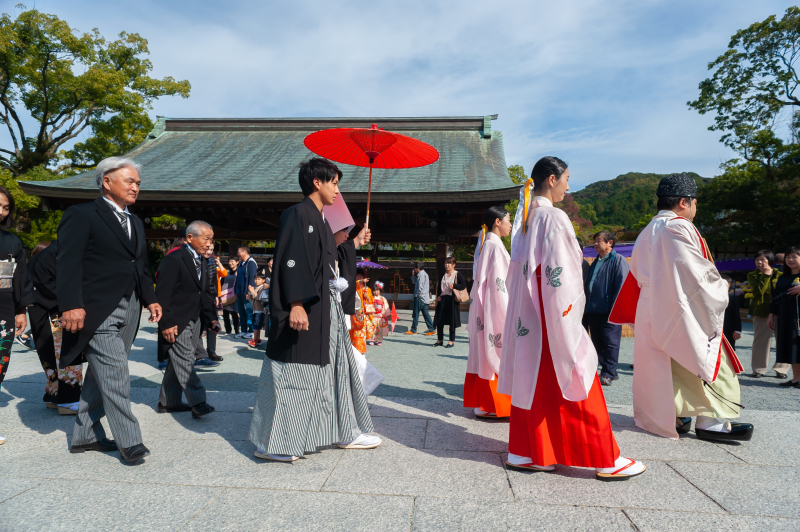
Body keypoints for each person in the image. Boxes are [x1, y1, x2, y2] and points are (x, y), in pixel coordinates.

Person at [497, 157, 644, 480]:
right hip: (551, 312)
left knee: (533, 381)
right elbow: (561, 277)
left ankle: (527, 451)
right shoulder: (553, 217)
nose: (568, 185)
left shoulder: (524, 221)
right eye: (566, 179)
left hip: (528, 315)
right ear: (551, 179)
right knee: (577, 376)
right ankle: (605, 457)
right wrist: (569, 315)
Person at [249, 157, 378, 462]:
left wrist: (354, 241)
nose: (337, 189)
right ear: (316, 182)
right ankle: (276, 444)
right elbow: (291, 260)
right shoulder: (297, 214)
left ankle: (345, 430)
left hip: (325, 312)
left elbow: (328, 256)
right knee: (296, 376)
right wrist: (295, 304)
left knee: (336, 371)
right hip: (305, 310)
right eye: (334, 182)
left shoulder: (320, 219)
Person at [610, 173, 752, 442]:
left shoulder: (646, 231)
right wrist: (720, 288)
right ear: (685, 202)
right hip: (674, 303)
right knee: (703, 354)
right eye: (695, 203)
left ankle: (671, 416)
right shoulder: (678, 226)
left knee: (664, 365)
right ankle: (708, 420)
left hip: (650, 304)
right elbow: (696, 273)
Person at [57, 157, 161, 462]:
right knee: (116, 372)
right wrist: (71, 304)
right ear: (106, 181)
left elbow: (140, 266)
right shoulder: (81, 214)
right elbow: (68, 263)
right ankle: (130, 441)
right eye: (129, 181)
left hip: (130, 306)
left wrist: (151, 298)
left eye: (138, 183)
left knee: (102, 373)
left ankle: (85, 435)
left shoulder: (136, 222)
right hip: (95, 306)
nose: (135, 187)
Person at [155, 220, 219, 419]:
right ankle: (198, 401)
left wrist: (212, 318)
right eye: (206, 238)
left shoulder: (202, 260)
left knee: (178, 361)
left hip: (196, 318)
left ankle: (169, 401)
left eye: (212, 239)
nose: (210, 243)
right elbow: (163, 295)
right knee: (185, 359)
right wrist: (165, 323)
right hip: (176, 320)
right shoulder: (173, 259)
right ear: (189, 238)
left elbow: (206, 294)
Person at [464, 205, 513, 419]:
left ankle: (486, 403)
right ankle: (492, 405)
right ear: (497, 221)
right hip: (495, 305)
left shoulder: (491, 243)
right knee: (495, 352)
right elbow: (499, 284)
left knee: (486, 353)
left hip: (488, 305)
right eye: (508, 220)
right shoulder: (493, 245)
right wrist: (509, 308)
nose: (510, 225)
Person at [28, 240, 83, 415]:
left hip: (40, 311)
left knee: (50, 356)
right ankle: (69, 399)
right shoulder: (58, 254)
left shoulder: (46, 255)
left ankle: (54, 395)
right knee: (67, 353)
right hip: (56, 312)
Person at [0, 186, 34, 445]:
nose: (1, 212)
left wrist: (21, 310)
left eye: (5, 207)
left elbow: (17, 278)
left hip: (4, 310)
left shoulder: (11, 241)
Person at [584, 231, 629, 386]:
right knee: (597, 342)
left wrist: (615, 308)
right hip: (593, 308)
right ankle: (608, 370)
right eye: (595, 241)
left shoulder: (618, 260)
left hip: (610, 310)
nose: (596, 243)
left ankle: (608, 373)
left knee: (611, 343)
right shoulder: (596, 261)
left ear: (610, 242)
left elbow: (622, 286)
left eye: (599, 241)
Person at [747, 250, 788, 378]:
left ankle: (781, 369)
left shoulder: (781, 274)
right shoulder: (752, 275)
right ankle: (759, 369)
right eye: (757, 259)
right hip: (761, 310)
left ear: (770, 261)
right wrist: (765, 275)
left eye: (763, 259)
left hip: (781, 309)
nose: (759, 262)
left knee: (782, 339)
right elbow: (758, 292)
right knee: (760, 340)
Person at [769, 246, 800, 388]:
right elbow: (775, 297)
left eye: (794, 256)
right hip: (784, 316)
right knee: (791, 347)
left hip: (798, 317)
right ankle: (796, 379)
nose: (790, 260)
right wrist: (771, 314)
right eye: (788, 257)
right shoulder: (783, 277)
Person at [192, 244, 223, 367]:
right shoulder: (195, 259)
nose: (209, 251)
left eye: (211, 250)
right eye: (207, 249)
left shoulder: (211, 260)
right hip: (197, 296)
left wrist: (214, 296)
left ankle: (211, 352)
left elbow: (213, 280)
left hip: (209, 295)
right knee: (197, 326)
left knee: (213, 323)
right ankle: (200, 354)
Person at [433, 257, 466, 348]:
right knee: (439, 320)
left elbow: (463, 285)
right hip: (442, 299)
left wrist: (454, 285)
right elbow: (439, 287)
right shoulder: (442, 275)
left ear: (454, 265)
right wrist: (439, 296)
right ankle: (439, 340)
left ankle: (451, 340)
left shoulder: (457, 274)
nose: (447, 265)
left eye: (449, 263)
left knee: (452, 321)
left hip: (452, 300)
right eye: (446, 263)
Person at [234, 246, 257, 339]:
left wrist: (249, 292)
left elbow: (252, 277)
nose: (237, 254)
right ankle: (243, 331)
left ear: (245, 252)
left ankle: (251, 331)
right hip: (239, 292)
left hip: (246, 292)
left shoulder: (251, 263)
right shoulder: (240, 263)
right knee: (241, 312)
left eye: (239, 252)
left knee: (249, 311)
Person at [407, 262, 435, 335]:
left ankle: (413, 330)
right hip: (424, 298)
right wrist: (413, 275)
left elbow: (420, 286)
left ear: (418, 268)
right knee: (426, 314)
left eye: (415, 268)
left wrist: (417, 294)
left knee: (415, 314)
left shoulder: (421, 275)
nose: (414, 269)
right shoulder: (423, 274)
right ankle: (431, 329)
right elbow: (415, 282)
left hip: (420, 297)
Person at [721, 275, 742, 350]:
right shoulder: (712, 298)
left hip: (729, 330)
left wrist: (737, 330)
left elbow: (736, 316)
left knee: (729, 349)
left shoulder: (732, 300)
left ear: (729, 285)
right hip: (716, 330)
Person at [247, 272, 267, 348]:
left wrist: (252, 291)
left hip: (260, 310)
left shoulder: (263, 288)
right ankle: (257, 339)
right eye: (255, 279)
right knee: (256, 325)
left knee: (257, 325)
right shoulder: (256, 288)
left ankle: (255, 339)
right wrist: (250, 291)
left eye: (259, 279)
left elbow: (258, 297)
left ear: (263, 280)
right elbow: (251, 298)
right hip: (255, 309)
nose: (256, 281)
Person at [221, 258, 240, 335]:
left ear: (237, 262)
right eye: (229, 261)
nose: (230, 263)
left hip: (234, 295)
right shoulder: (226, 271)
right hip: (225, 295)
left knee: (234, 313)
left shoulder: (238, 272)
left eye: (232, 261)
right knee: (225, 314)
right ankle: (228, 330)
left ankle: (236, 331)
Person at [368, 282, 390, 346]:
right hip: (373, 315)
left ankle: (379, 340)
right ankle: (372, 340)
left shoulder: (382, 299)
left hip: (380, 315)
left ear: (380, 291)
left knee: (380, 328)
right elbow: (369, 306)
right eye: (374, 290)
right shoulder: (371, 298)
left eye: (377, 290)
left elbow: (386, 306)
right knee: (373, 328)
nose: (375, 292)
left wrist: (386, 313)